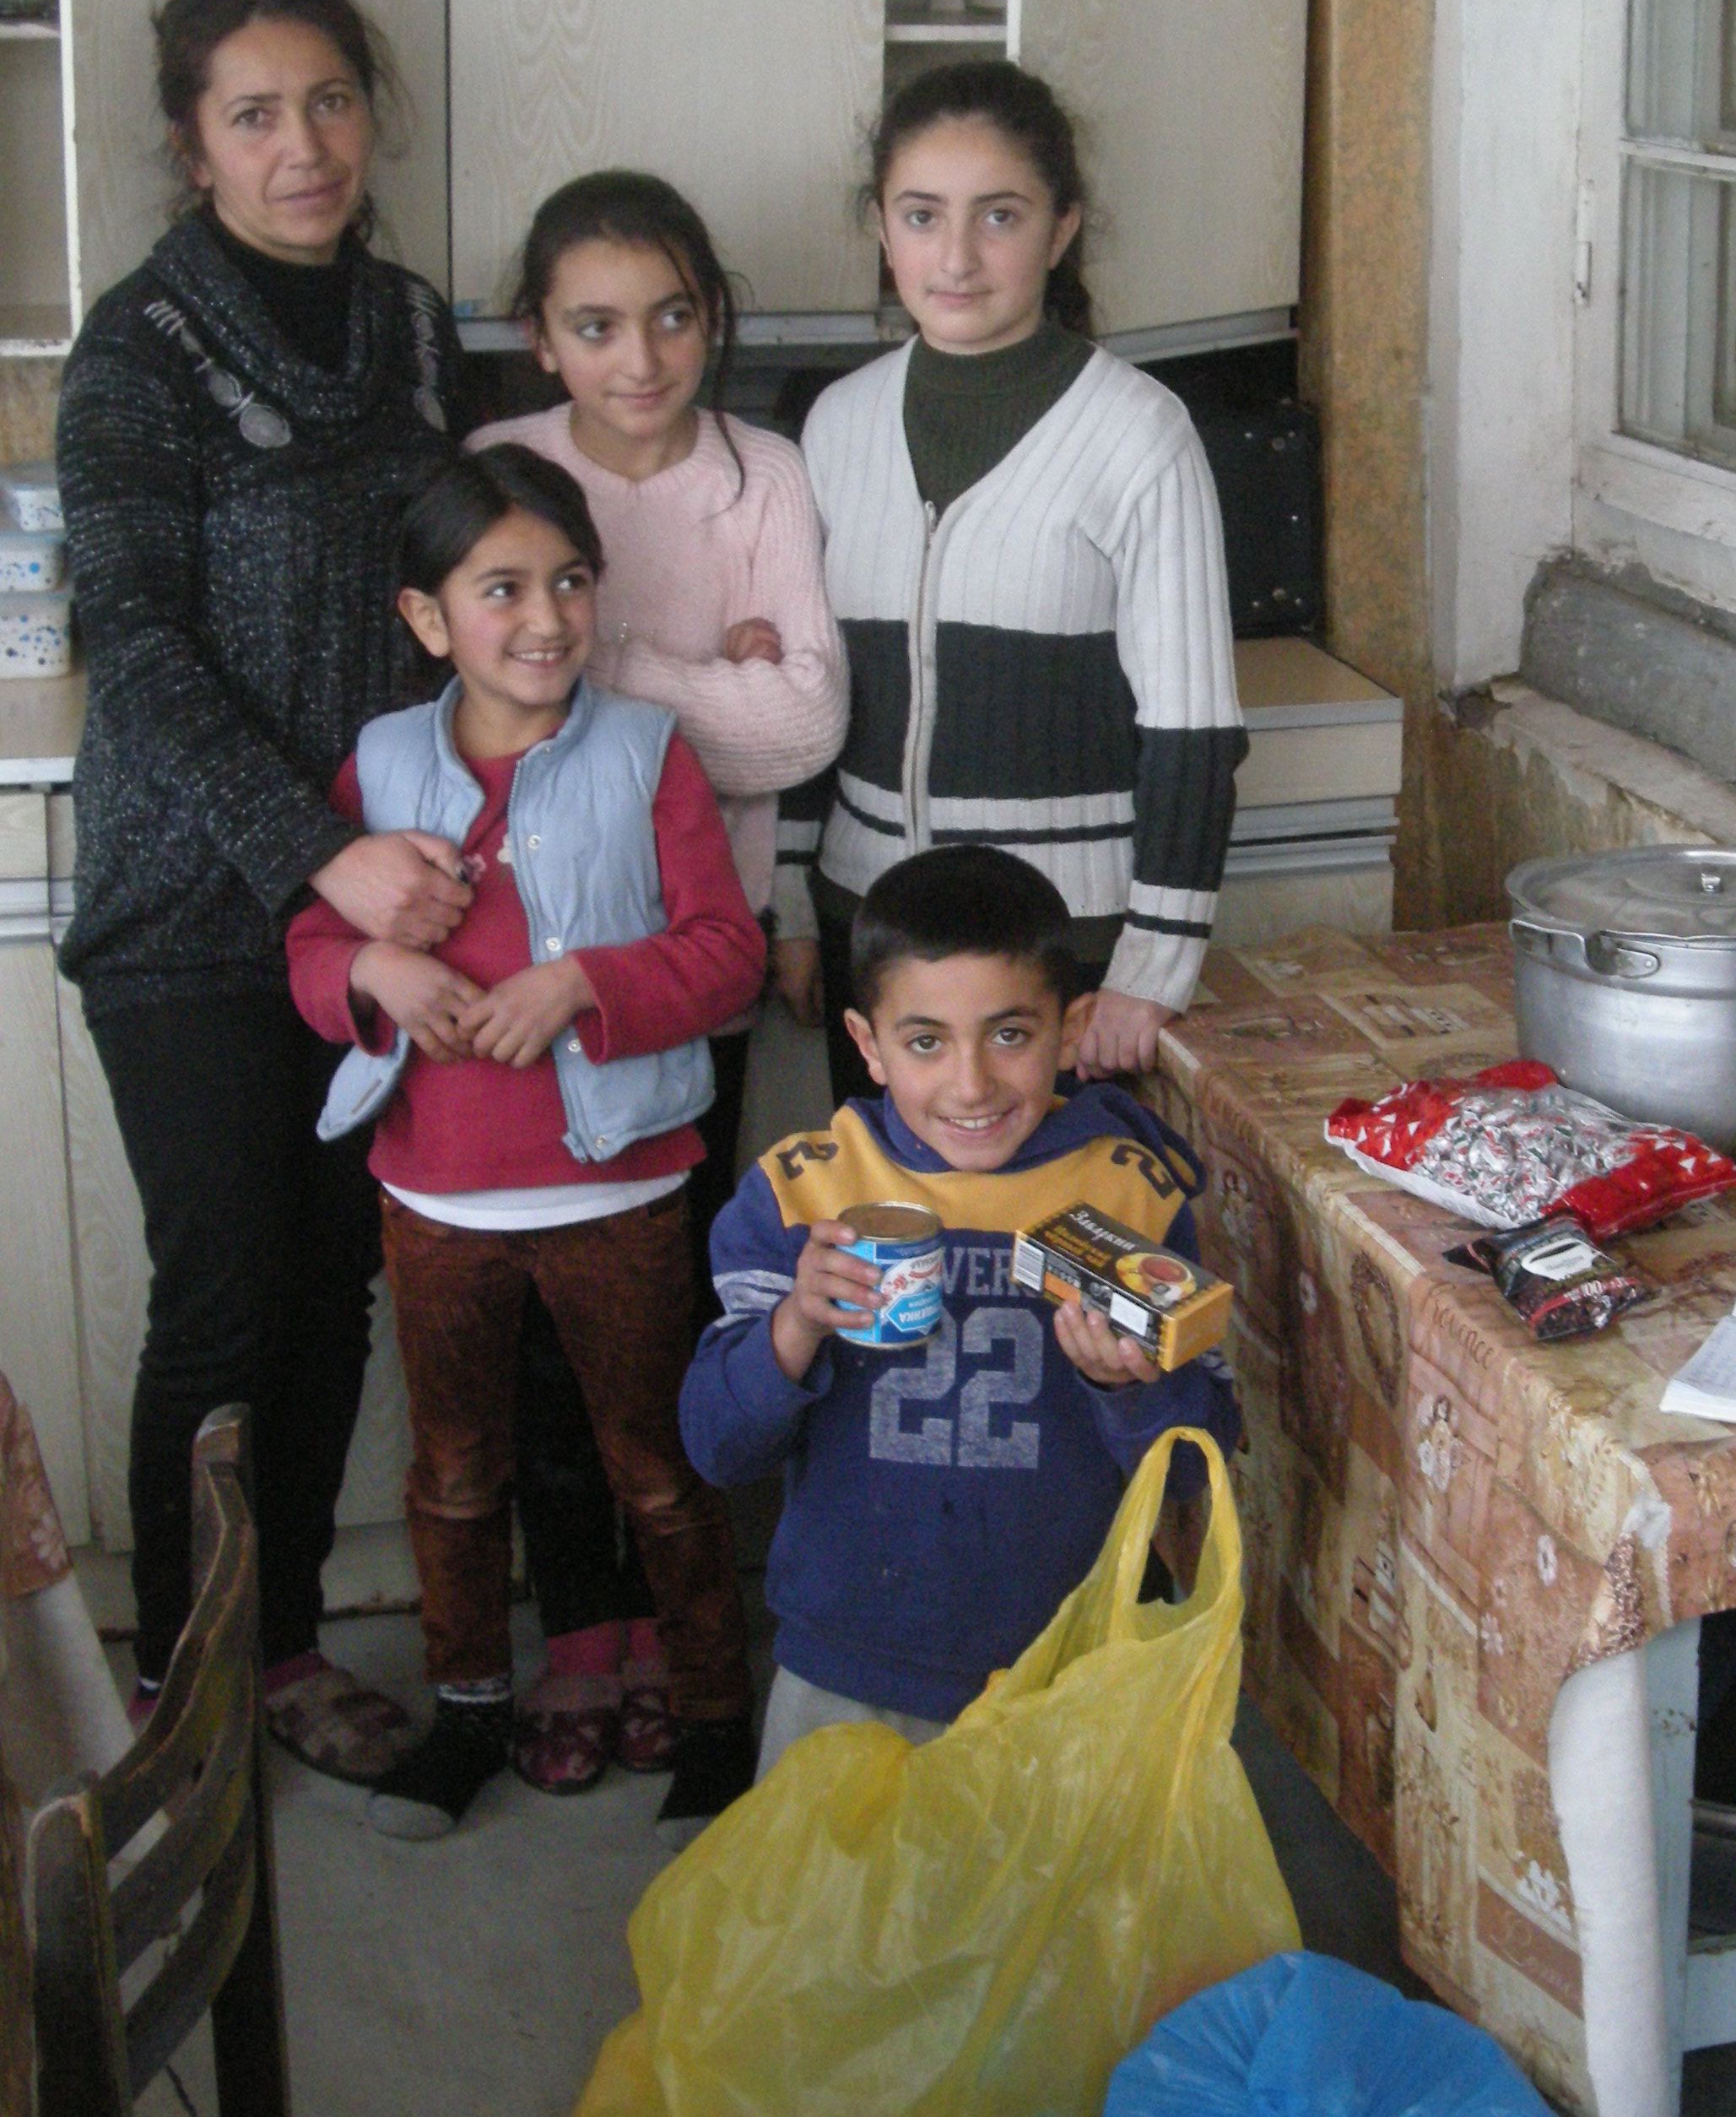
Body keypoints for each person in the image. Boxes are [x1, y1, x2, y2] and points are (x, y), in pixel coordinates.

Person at [56, 0, 469, 1784]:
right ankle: (184, 1691)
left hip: (377, 893)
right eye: (253, 112)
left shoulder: (412, 323)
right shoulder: (135, 347)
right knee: (223, 1292)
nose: (301, 144)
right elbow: (130, 647)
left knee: (331, 1289)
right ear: (190, 142)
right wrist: (322, 854)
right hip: (197, 904)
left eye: (328, 101)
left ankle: (284, 1642)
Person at [286, 450, 765, 1837]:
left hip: (622, 1186)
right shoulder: (378, 764)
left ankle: (716, 1718)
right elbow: (315, 952)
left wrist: (584, 986)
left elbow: (725, 954)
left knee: (658, 1466)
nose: (546, 617)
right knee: (451, 1473)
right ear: (429, 619)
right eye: (502, 588)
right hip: (437, 1194)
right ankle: (470, 1716)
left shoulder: (648, 748)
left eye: (569, 582)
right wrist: (379, 977)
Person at [471, 171, 845, 1794]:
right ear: (538, 337)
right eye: (597, 325)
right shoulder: (507, 476)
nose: (641, 360)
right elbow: (498, 701)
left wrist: (608, 665)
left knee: (676, 1298)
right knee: (537, 1322)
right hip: (521, 948)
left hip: (696, 941)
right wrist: (709, 673)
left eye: (674, 317)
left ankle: (694, 1650)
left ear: (715, 319)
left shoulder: (765, 471)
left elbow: (806, 730)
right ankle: (582, 1636)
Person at [679, 843, 1238, 1771]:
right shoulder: (803, 1194)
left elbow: (1195, 1473)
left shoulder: (1128, 1193)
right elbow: (714, 1444)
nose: (972, 1084)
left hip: (1076, 1663)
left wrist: (1130, 1390)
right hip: (850, 1663)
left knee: (1057, 1915)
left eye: (1011, 1035)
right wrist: (797, 1325)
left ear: (1073, 1029)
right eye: (926, 1041)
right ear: (866, 1044)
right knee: (849, 1913)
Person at [792, 60, 1245, 1102]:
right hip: (875, 935)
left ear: (1062, 227)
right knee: (890, 1242)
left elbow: (1194, 728)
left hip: (1060, 961)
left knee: (1057, 1251)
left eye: (999, 215)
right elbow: (806, 690)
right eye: (920, 214)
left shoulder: (1138, 433)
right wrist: (786, 903)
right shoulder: (838, 424)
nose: (955, 256)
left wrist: (1154, 966)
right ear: (879, 225)